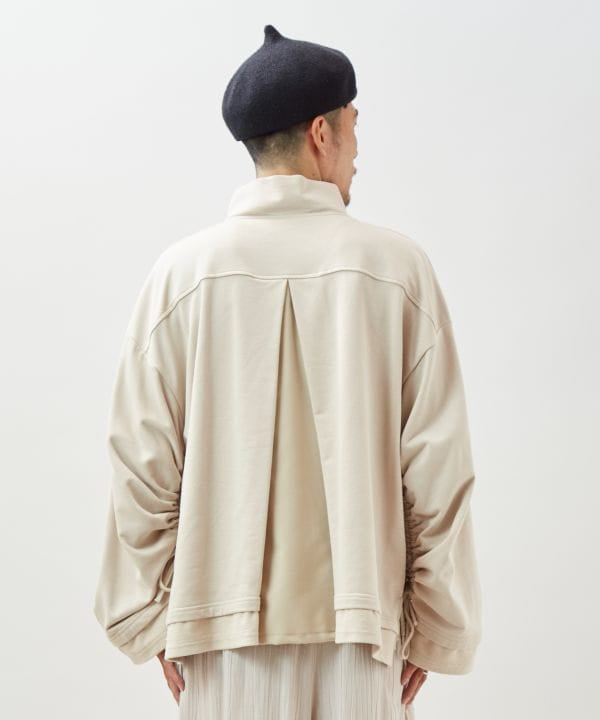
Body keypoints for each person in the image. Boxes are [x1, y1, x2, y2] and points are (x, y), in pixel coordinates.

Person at [93, 23, 482, 720]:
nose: (359, 149)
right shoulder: (397, 271)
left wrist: (151, 614)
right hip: (364, 642)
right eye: (355, 125)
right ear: (321, 134)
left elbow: (140, 463)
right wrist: (434, 625)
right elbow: (438, 471)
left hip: (221, 643)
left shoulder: (182, 277)